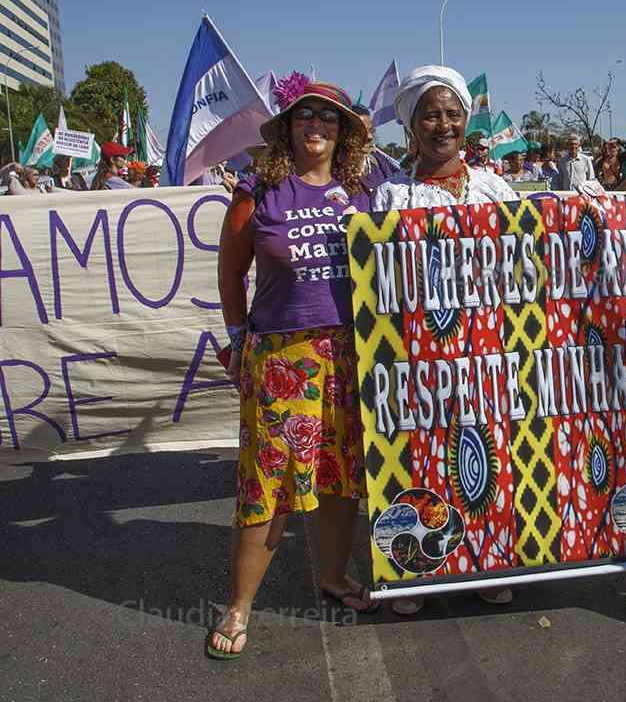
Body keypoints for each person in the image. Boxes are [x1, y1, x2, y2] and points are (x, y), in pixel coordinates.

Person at [209, 81, 377, 660]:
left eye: (329, 119)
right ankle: (239, 605)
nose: (316, 125)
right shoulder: (258, 190)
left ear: (344, 133)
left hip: (349, 355)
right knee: (268, 483)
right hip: (281, 358)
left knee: (339, 474)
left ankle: (332, 578)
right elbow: (231, 274)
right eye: (304, 116)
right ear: (287, 127)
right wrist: (236, 341)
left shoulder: (361, 191)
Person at [371, 66, 519, 613]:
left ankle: (489, 560)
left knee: (490, 453)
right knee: (424, 456)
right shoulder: (390, 198)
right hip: (420, 356)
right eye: (430, 114)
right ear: (411, 126)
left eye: (452, 113)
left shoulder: (496, 189)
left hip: (488, 350)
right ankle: (416, 571)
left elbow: (532, 263)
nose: (443, 124)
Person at [351, 103, 403, 195]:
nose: (369, 137)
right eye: (361, 132)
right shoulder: (330, 170)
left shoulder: (380, 163)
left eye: (371, 131)